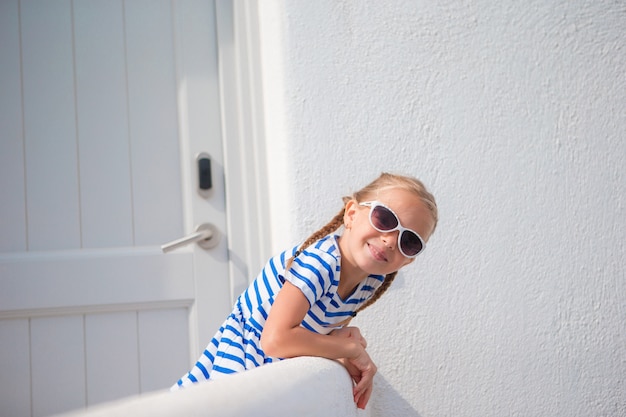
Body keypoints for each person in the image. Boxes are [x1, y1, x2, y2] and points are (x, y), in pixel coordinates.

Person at [171, 172, 438, 409]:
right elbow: (275, 340)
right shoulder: (320, 264)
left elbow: (312, 333)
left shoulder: (370, 281)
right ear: (352, 214)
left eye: (410, 241)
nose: (390, 240)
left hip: (269, 369)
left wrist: (341, 339)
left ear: (409, 260)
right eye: (384, 218)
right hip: (240, 363)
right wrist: (349, 350)